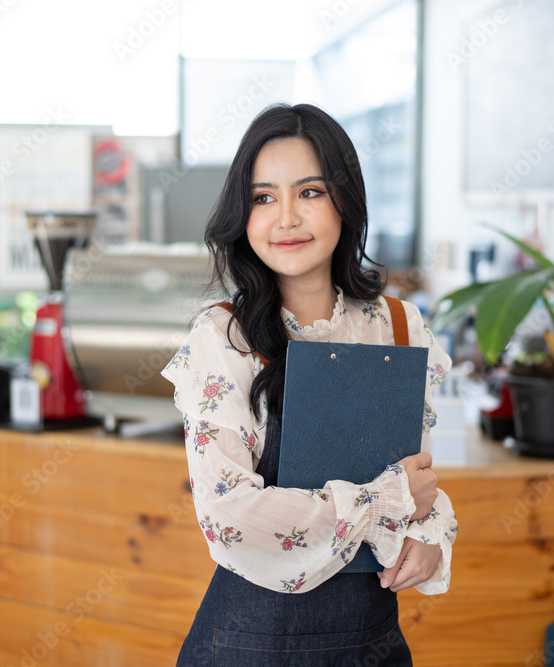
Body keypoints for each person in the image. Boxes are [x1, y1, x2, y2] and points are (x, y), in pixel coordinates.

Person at [161, 103, 457, 666]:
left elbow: (416, 480)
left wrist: (431, 534)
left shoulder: (397, 326)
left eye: (311, 192)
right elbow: (228, 516)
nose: (287, 218)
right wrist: (380, 502)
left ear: (345, 200)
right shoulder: (224, 337)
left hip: (371, 644)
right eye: (264, 198)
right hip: (249, 646)